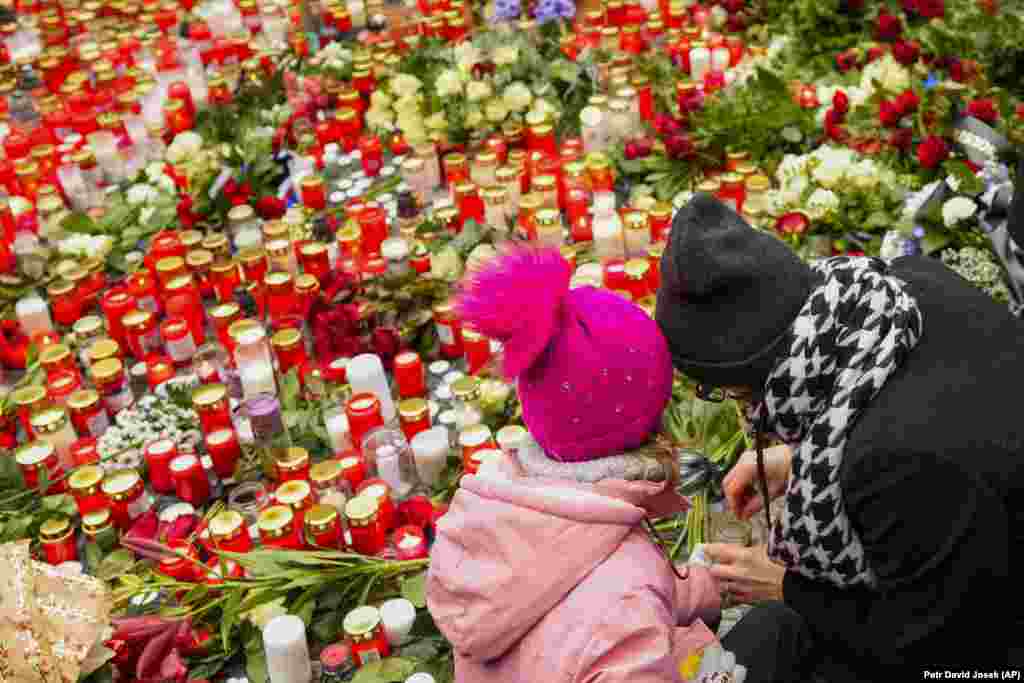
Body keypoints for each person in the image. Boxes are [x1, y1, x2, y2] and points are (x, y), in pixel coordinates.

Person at [655, 193, 1024, 682]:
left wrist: (790, 588)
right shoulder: (900, 286)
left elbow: (937, 643)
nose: (736, 406)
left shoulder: (889, 462)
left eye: (715, 388)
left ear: (759, 373)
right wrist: (800, 457)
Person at [426, 247, 734, 683]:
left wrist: (703, 588)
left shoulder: (493, 506)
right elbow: (617, 606)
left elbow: (573, 590)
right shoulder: (626, 600)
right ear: (653, 423)